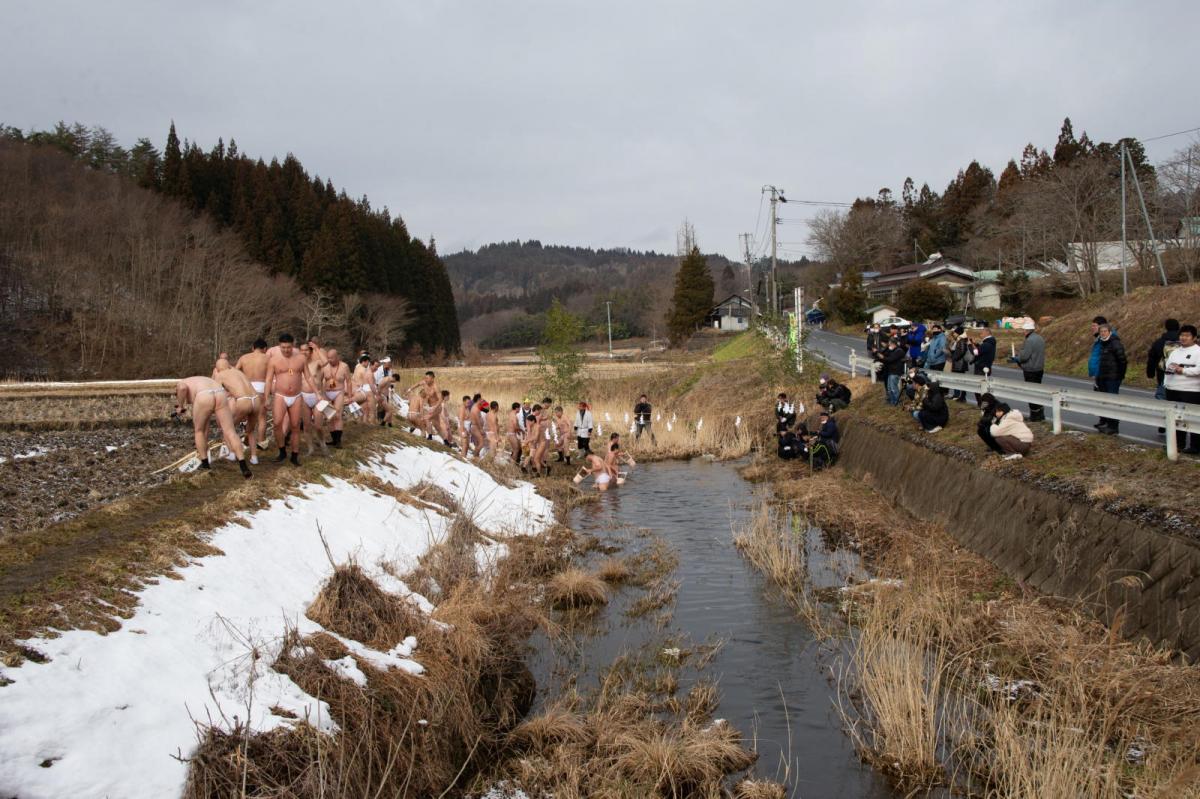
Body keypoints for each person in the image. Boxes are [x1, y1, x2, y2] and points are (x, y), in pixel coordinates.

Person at [173, 375, 252, 478]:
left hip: (204, 396)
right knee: (230, 431)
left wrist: (180, 406)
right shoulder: (198, 380)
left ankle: (205, 465)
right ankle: (243, 466)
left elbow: (182, 388)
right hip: (220, 393)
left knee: (199, 431)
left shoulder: (181, 383)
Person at [265, 333, 310, 465]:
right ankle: (282, 451)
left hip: (296, 396)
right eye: (283, 347)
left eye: (288, 347)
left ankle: (295, 455)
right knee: (277, 424)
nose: (286, 350)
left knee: (295, 426)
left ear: (293, 345)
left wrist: (318, 393)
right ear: (279, 346)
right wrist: (267, 397)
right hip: (280, 395)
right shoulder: (273, 360)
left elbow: (308, 377)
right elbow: (268, 380)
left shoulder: (301, 358)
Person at [213, 363, 261, 465]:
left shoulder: (220, 375)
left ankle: (232, 454)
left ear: (217, 369)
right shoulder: (238, 372)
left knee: (228, 428)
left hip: (243, 401)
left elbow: (216, 393)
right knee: (250, 430)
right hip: (256, 400)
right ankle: (254, 457)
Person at [1163, 324, 1200, 455]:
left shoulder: (1198, 351)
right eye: (1182, 335)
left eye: (1187, 335)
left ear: (1194, 337)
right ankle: (1177, 444)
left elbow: (1198, 370)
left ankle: (1195, 446)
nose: (1184, 338)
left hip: (1191, 390)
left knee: (1192, 418)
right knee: (1176, 419)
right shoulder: (1175, 351)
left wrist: (1183, 370)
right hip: (1172, 388)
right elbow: (1167, 366)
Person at [235, 339, 270, 450]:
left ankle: (243, 440)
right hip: (260, 387)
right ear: (265, 349)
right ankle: (261, 442)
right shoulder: (267, 358)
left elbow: (235, 372)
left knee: (246, 417)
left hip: (246, 388)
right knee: (261, 418)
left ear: (252, 348)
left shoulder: (244, 358)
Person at [1094, 322, 1127, 435]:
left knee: (1112, 401)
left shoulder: (1115, 343)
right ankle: (1108, 424)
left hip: (1113, 377)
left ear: (1110, 332)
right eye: (1101, 332)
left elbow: (1122, 360)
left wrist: (1120, 375)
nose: (1103, 333)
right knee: (1106, 401)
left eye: (1105, 331)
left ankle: (1114, 426)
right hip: (1103, 377)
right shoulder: (1102, 343)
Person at [1010, 321, 1046, 422]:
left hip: (1030, 369)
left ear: (1026, 330)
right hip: (1039, 368)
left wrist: (1017, 358)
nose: (1023, 332)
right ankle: (1040, 413)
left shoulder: (1029, 340)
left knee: (1031, 392)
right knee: (1037, 391)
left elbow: (1024, 356)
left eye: (1023, 330)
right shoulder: (1040, 338)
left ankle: (1035, 415)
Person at [322, 349, 351, 448]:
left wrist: (350, 396)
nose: (330, 360)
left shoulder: (344, 366)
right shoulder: (324, 366)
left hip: (339, 392)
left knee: (337, 415)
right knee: (329, 416)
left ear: (337, 357)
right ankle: (333, 440)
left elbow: (349, 381)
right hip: (326, 392)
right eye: (328, 358)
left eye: (332, 358)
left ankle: (338, 441)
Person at [1147, 319, 1181, 402]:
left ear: (1166, 327)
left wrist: (1150, 372)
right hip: (1181, 373)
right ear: (1178, 327)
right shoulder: (1184, 342)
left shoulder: (1160, 342)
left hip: (1163, 373)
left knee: (1163, 396)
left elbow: (1152, 358)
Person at [875, 338, 906, 406]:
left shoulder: (899, 351)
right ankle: (892, 402)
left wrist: (882, 357)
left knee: (893, 388)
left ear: (893, 344)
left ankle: (897, 403)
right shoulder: (892, 350)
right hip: (890, 371)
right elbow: (886, 357)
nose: (889, 345)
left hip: (895, 371)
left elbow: (890, 359)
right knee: (889, 388)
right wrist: (879, 355)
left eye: (890, 344)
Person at [350, 355, 377, 424]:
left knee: (363, 408)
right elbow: (369, 381)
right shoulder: (364, 370)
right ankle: (364, 423)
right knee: (366, 409)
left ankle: (361, 423)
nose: (368, 364)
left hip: (354, 388)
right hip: (359, 390)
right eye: (368, 362)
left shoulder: (357, 367)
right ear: (365, 362)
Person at [973, 328, 996, 406]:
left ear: (987, 333)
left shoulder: (987, 344)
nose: (980, 334)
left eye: (982, 333)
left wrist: (971, 346)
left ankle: (982, 405)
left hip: (981, 368)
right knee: (983, 388)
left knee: (979, 388)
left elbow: (976, 352)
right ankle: (983, 404)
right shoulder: (990, 343)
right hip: (986, 367)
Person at [949, 326, 972, 402]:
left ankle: (958, 395)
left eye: (955, 332)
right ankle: (957, 395)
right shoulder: (959, 340)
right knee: (957, 380)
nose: (954, 334)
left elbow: (961, 351)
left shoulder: (961, 341)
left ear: (958, 333)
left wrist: (954, 358)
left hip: (960, 363)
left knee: (958, 380)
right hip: (959, 363)